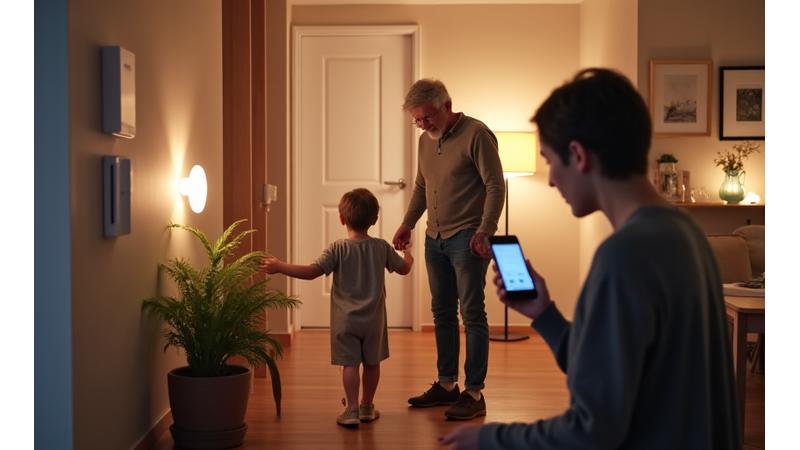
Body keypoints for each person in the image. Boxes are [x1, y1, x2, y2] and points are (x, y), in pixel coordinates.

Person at [441, 68, 741, 449]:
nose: (550, 180)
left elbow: (591, 431)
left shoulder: (624, 257)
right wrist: (545, 316)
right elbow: (610, 376)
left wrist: (491, 438)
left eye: (550, 161)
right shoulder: (687, 233)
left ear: (579, 155)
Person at [393, 79, 505, 420]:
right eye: (417, 120)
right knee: (442, 312)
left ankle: (474, 392)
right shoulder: (425, 142)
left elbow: (495, 185)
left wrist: (486, 231)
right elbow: (421, 187)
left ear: (447, 105)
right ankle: (446, 385)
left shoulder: (476, 135)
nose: (423, 125)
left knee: (472, 313)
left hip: (468, 236)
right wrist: (408, 222)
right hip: (434, 237)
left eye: (427, 117)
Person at [261, 188, 413, 427]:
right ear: (374, 220)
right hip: (374, 321)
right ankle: (367, 406)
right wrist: (409, 256)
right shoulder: (382, 247)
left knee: (350, 364)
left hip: (346, 321)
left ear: (342, 219)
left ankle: (351, 409)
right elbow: (404, 269)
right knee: (372, 363)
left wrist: (281, 266)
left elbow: (312, 272)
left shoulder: (337, 248)